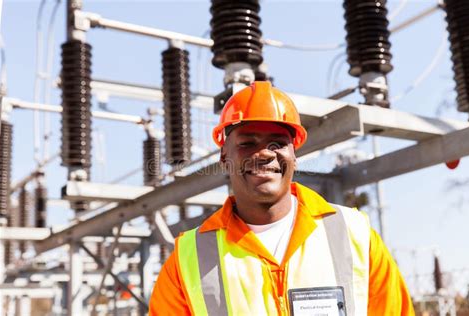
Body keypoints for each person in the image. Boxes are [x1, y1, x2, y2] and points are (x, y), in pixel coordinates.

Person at [149, 81, 414, 315]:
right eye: (247, 143)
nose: (264, 153)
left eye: (277, 143)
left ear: (294, 156)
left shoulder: (355, 234)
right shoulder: (189, 259)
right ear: (224, 158)